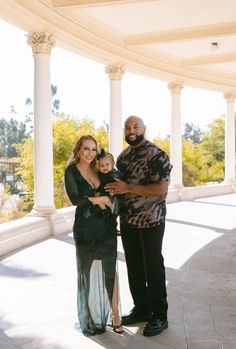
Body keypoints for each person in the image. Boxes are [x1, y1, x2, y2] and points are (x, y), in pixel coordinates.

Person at [105, 116, 172, 337]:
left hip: (151, 219)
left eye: (136, 127)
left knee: (153, 266)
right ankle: (142, 309)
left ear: (144, 129)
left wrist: (127, 188)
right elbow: (118, 188)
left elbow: (160, 190)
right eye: (127, 127)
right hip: (128, 221)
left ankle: (160, 315)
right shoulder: (124, 156)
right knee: (134, 267)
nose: (131, 130)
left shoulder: (156, 154)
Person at [64, 135, 123, 336]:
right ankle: (88, 317)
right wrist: (101, 200)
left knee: (110, 271)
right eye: (86, 149)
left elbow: (116, 193)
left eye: (93, 150)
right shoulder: (71, 171)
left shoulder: (101, 168)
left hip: (106, 227)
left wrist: (110, 201)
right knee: (86, 273)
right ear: (78, 151)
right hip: (85, 229)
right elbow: (75, 199)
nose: (90, 153)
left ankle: (115, 315)